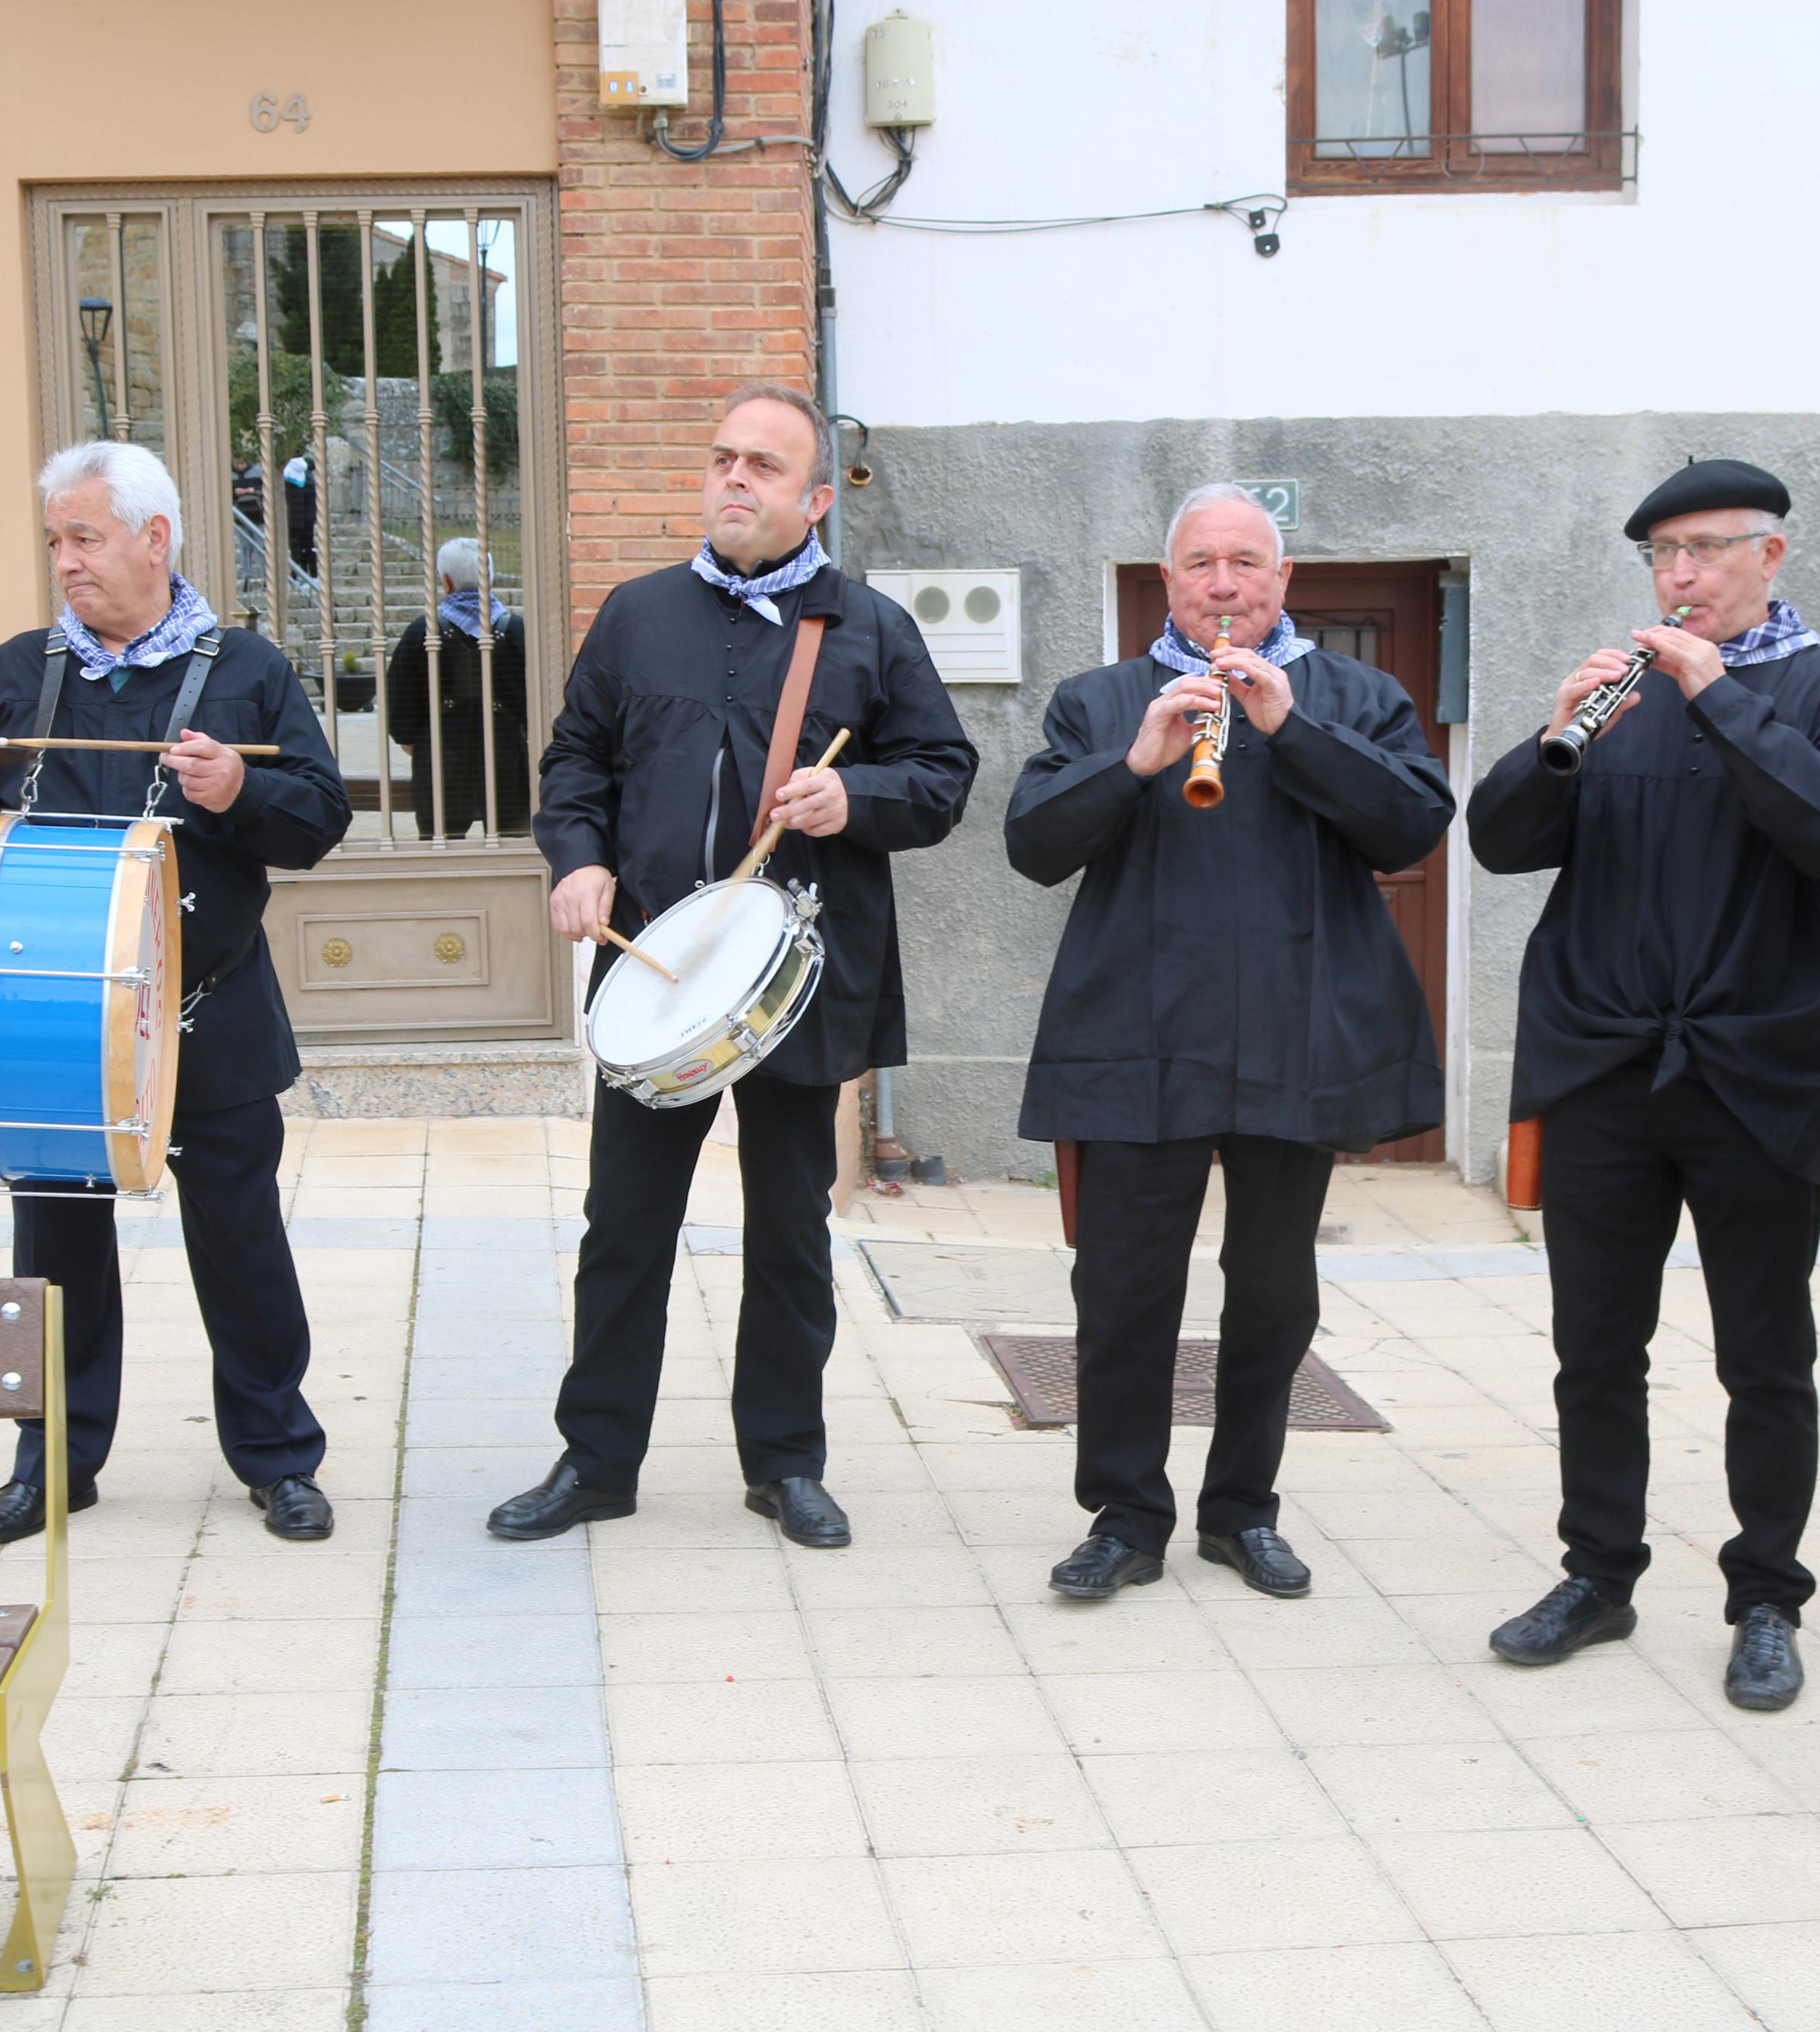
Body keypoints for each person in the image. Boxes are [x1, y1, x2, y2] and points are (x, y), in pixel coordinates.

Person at [489, 382, 978, 1548]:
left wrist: (851, 794)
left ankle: (785, 1462)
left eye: (761, 465)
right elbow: (575, 761)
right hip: (657, 970)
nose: (732, 480)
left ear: (813, 498)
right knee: (623, 1227)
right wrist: (577, 859)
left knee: (788, 1229)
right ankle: (596, 1459)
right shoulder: (636, 613)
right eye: (721, 459)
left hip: (792, 975)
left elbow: (943, 774)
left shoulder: (866, 628)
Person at [1468, 458, 1820, 1709]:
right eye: (1662, 556)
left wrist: (1720, 700)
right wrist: (1553, 738)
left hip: (1756, 1074)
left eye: (1706, 550)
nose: (1681, 575)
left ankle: (1764, 1598)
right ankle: (1596, 1574)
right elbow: (1498, 844)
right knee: (1593, 1345)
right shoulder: (1620, 694)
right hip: (1605, 1068)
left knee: (1762, 1354)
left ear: (1770, 557)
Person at [1008, 484, 1453, 1601]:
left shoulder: (1356, 693)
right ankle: (1124, 1513)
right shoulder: (1100, 699)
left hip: (1293, 1031)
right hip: (1136, 1035)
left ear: (1281, 579)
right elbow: (1031, 845)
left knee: (1269, 1287)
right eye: (1199, 564)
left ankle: (1240, 1509)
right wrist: (1136, 761)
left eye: (1245, 563)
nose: (1222, 584)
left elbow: (1410, 826)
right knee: (1118, 1286)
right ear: (1167, 583)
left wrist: (1287, 728)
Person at [0, 439, 352, 1546]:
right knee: (53, 1243)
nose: (65, 561)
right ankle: (52, 1459)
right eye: (56, 541)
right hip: (51, 1020)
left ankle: (277, 1456)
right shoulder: (16, 673)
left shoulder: (247, 669)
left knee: (240, 1238)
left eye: (85, 538)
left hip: (209, 1008)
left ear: (155, 539)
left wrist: (244, 785)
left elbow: (317, 822)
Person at [386, 537, 532, 840]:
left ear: (446, 581)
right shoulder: (517, 630)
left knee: (441, 848)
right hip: (507, 756)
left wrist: (413, 740)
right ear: (490, 578)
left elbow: (399, 700)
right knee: (513, 847)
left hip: (441, 758)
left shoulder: (422, 632)